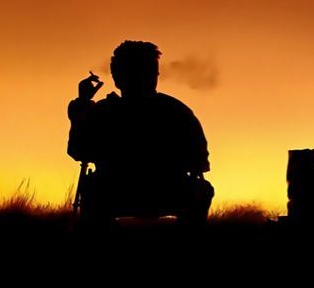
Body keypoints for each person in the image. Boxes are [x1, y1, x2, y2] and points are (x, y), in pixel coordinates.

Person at [68, 40, 214, 224]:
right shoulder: (176, 110)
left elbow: (78, 151)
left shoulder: (102, 111)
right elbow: (199, 163)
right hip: (169, 193)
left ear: (116, 76)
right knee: (203, 189)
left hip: (112, 193)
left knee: (92, 190)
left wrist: (82, 106)